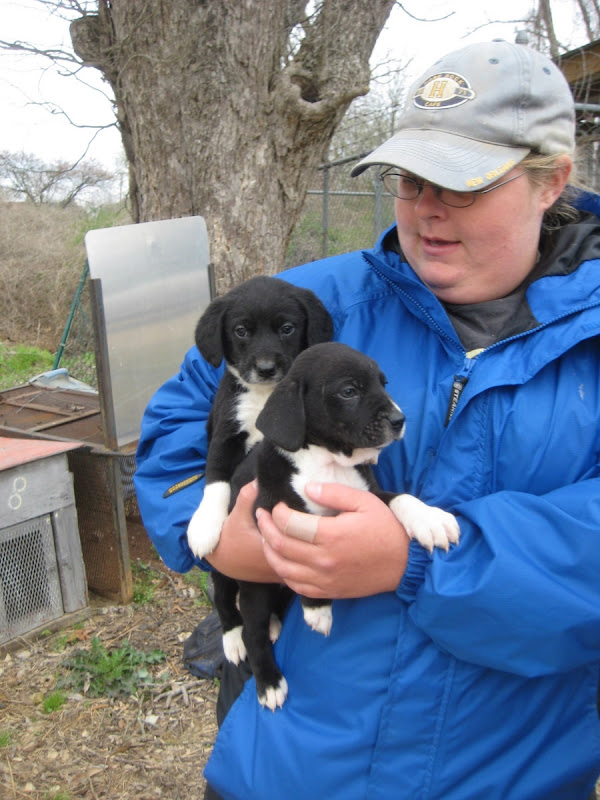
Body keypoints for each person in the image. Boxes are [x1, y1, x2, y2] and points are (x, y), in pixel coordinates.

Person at [134, 39, 600, 800]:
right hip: (287, 769)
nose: (427, 209)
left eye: (463, 183)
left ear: (552, 181)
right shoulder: (311, 309)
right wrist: (227, 535)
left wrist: (417, 563)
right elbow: (181, 434)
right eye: (409, 179)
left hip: (507, 775)